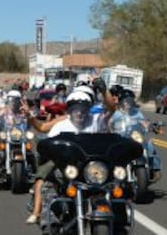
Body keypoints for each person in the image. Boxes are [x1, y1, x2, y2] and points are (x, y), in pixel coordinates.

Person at [25, 81, 113, 225]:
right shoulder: (61, 125)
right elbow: (45, 134)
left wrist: (104, 91)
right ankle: (47, 218)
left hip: (90, 168)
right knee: (47, 183)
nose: (79, 112)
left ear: (89, 108)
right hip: (67, 168)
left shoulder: (96, 121)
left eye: (83, 108)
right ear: (69, 109)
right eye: (75, 108)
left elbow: (112, 109)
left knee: (114, 184)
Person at [109, 88, 162, 182]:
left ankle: (154, 169)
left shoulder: (136, 113)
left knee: (149, 145)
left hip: (134, 137)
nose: (128, 103)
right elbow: (109, 123)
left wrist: (150, 126)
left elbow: (143, 122)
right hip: (121, 138)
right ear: (121, 101)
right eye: (126, 101)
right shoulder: (117, 114)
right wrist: (109, 130)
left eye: (130, 101)